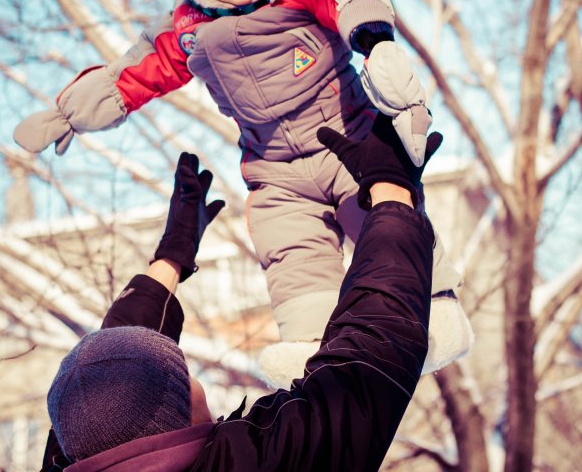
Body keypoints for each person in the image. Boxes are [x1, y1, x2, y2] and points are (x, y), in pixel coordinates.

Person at [14, 0, 471, 385]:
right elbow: (138, 69)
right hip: (274, 170)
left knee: (384, 220)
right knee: (288, 248)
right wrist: (73, 110)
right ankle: (313, 344)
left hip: (350, 140)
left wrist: (374, 40)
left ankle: (433, 305)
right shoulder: (191, 29)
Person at [42, 116, 443, 471]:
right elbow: (369, 359)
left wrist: (169, 260)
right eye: (183, 376)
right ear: (179, 412)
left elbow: (100, 397)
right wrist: (392, 193)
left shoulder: (77, 451)